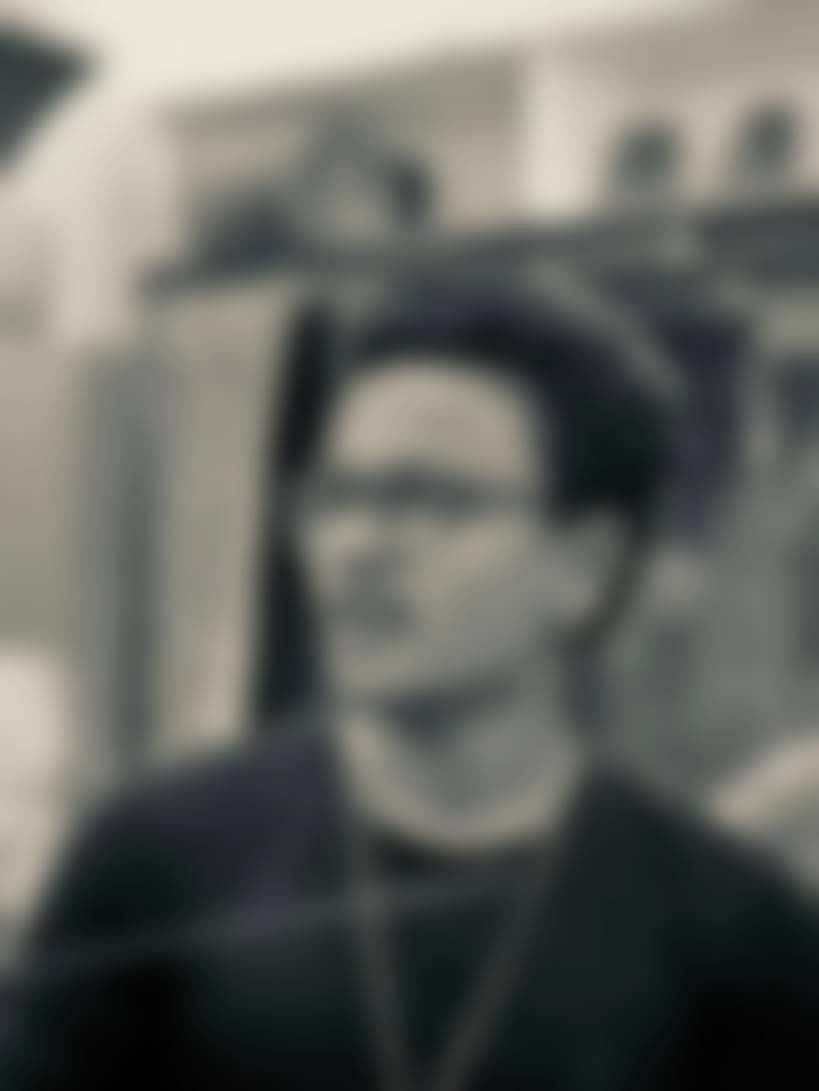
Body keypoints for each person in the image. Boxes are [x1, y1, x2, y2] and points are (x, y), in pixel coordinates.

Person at [3, 267, 818, 1090]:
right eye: (339, 496)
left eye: (430, 500)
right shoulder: (154, 862)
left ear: (581, 564)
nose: (359, 546)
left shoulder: (731, 928)